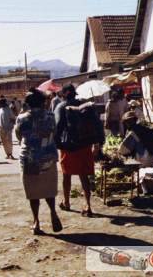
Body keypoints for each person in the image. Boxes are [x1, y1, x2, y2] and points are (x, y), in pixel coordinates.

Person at [15, 88, 63, 235]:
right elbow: (54, 132)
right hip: (48, 157)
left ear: (28, 104)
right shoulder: (50, 116)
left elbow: (18, 136)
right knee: (49, 189)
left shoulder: (22, 118)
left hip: (29, 158)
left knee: (33, 192)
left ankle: (36, 221)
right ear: (43, 102)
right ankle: (53, 212)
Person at [54, 84, 105, 217]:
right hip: (84, 145)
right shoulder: (84, 106)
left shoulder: (60, 107)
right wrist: (98, 143)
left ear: (64, 94)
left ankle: (66, 202)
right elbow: (97, 125)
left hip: (68, 147)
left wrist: (56, 144)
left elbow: (58, 127)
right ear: (74, 94)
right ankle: (87, 204)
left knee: (66, 175)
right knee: (84, 176)